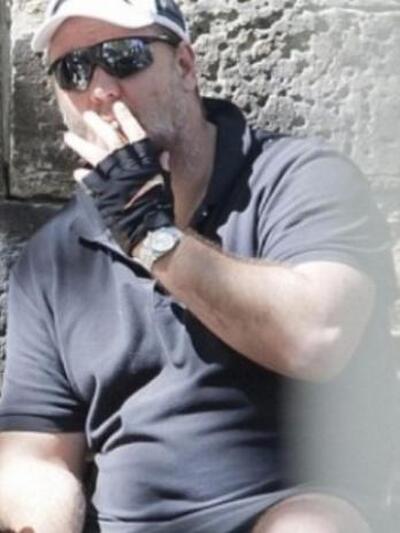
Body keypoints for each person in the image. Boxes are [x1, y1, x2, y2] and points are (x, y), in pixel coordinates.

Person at [0, 0, 397, 532]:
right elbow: (35, 456)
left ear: (185, 65)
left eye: (123, 56)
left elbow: (319, 338)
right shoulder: (54, 258)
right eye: (73, 69)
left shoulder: (297, 180)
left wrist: (153, 236)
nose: (100, 90)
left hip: (289, 510)